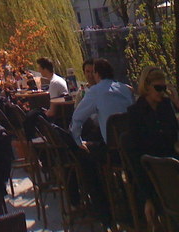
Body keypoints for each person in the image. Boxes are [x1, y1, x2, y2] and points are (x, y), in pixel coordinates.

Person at [127, 66, 179, 225]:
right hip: (153, 175)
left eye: (164, 87)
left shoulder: (166, 106)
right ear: (147, 86)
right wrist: (147, 198)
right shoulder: (136, 113)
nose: (162, 91)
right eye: (158, 88)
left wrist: (177, 105)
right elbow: (136, 157)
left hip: (171, 167)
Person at [70, 58, 133, 148]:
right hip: (131, 141)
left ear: (97, 74)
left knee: (82, 147)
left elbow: (77, 118)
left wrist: (78, 142)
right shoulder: (125, 89)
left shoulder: (95, 91)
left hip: (111, 146)